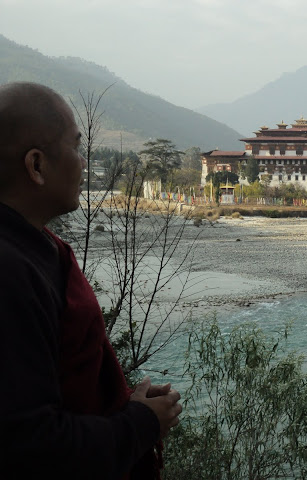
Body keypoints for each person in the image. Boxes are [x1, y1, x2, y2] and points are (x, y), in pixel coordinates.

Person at [0, 82, 182, 479]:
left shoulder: (40, 249)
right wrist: (140, 422)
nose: (84, 163)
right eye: (76, 147)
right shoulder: (10, 273)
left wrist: (123, 404)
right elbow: (31, 445)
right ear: (37, 165)